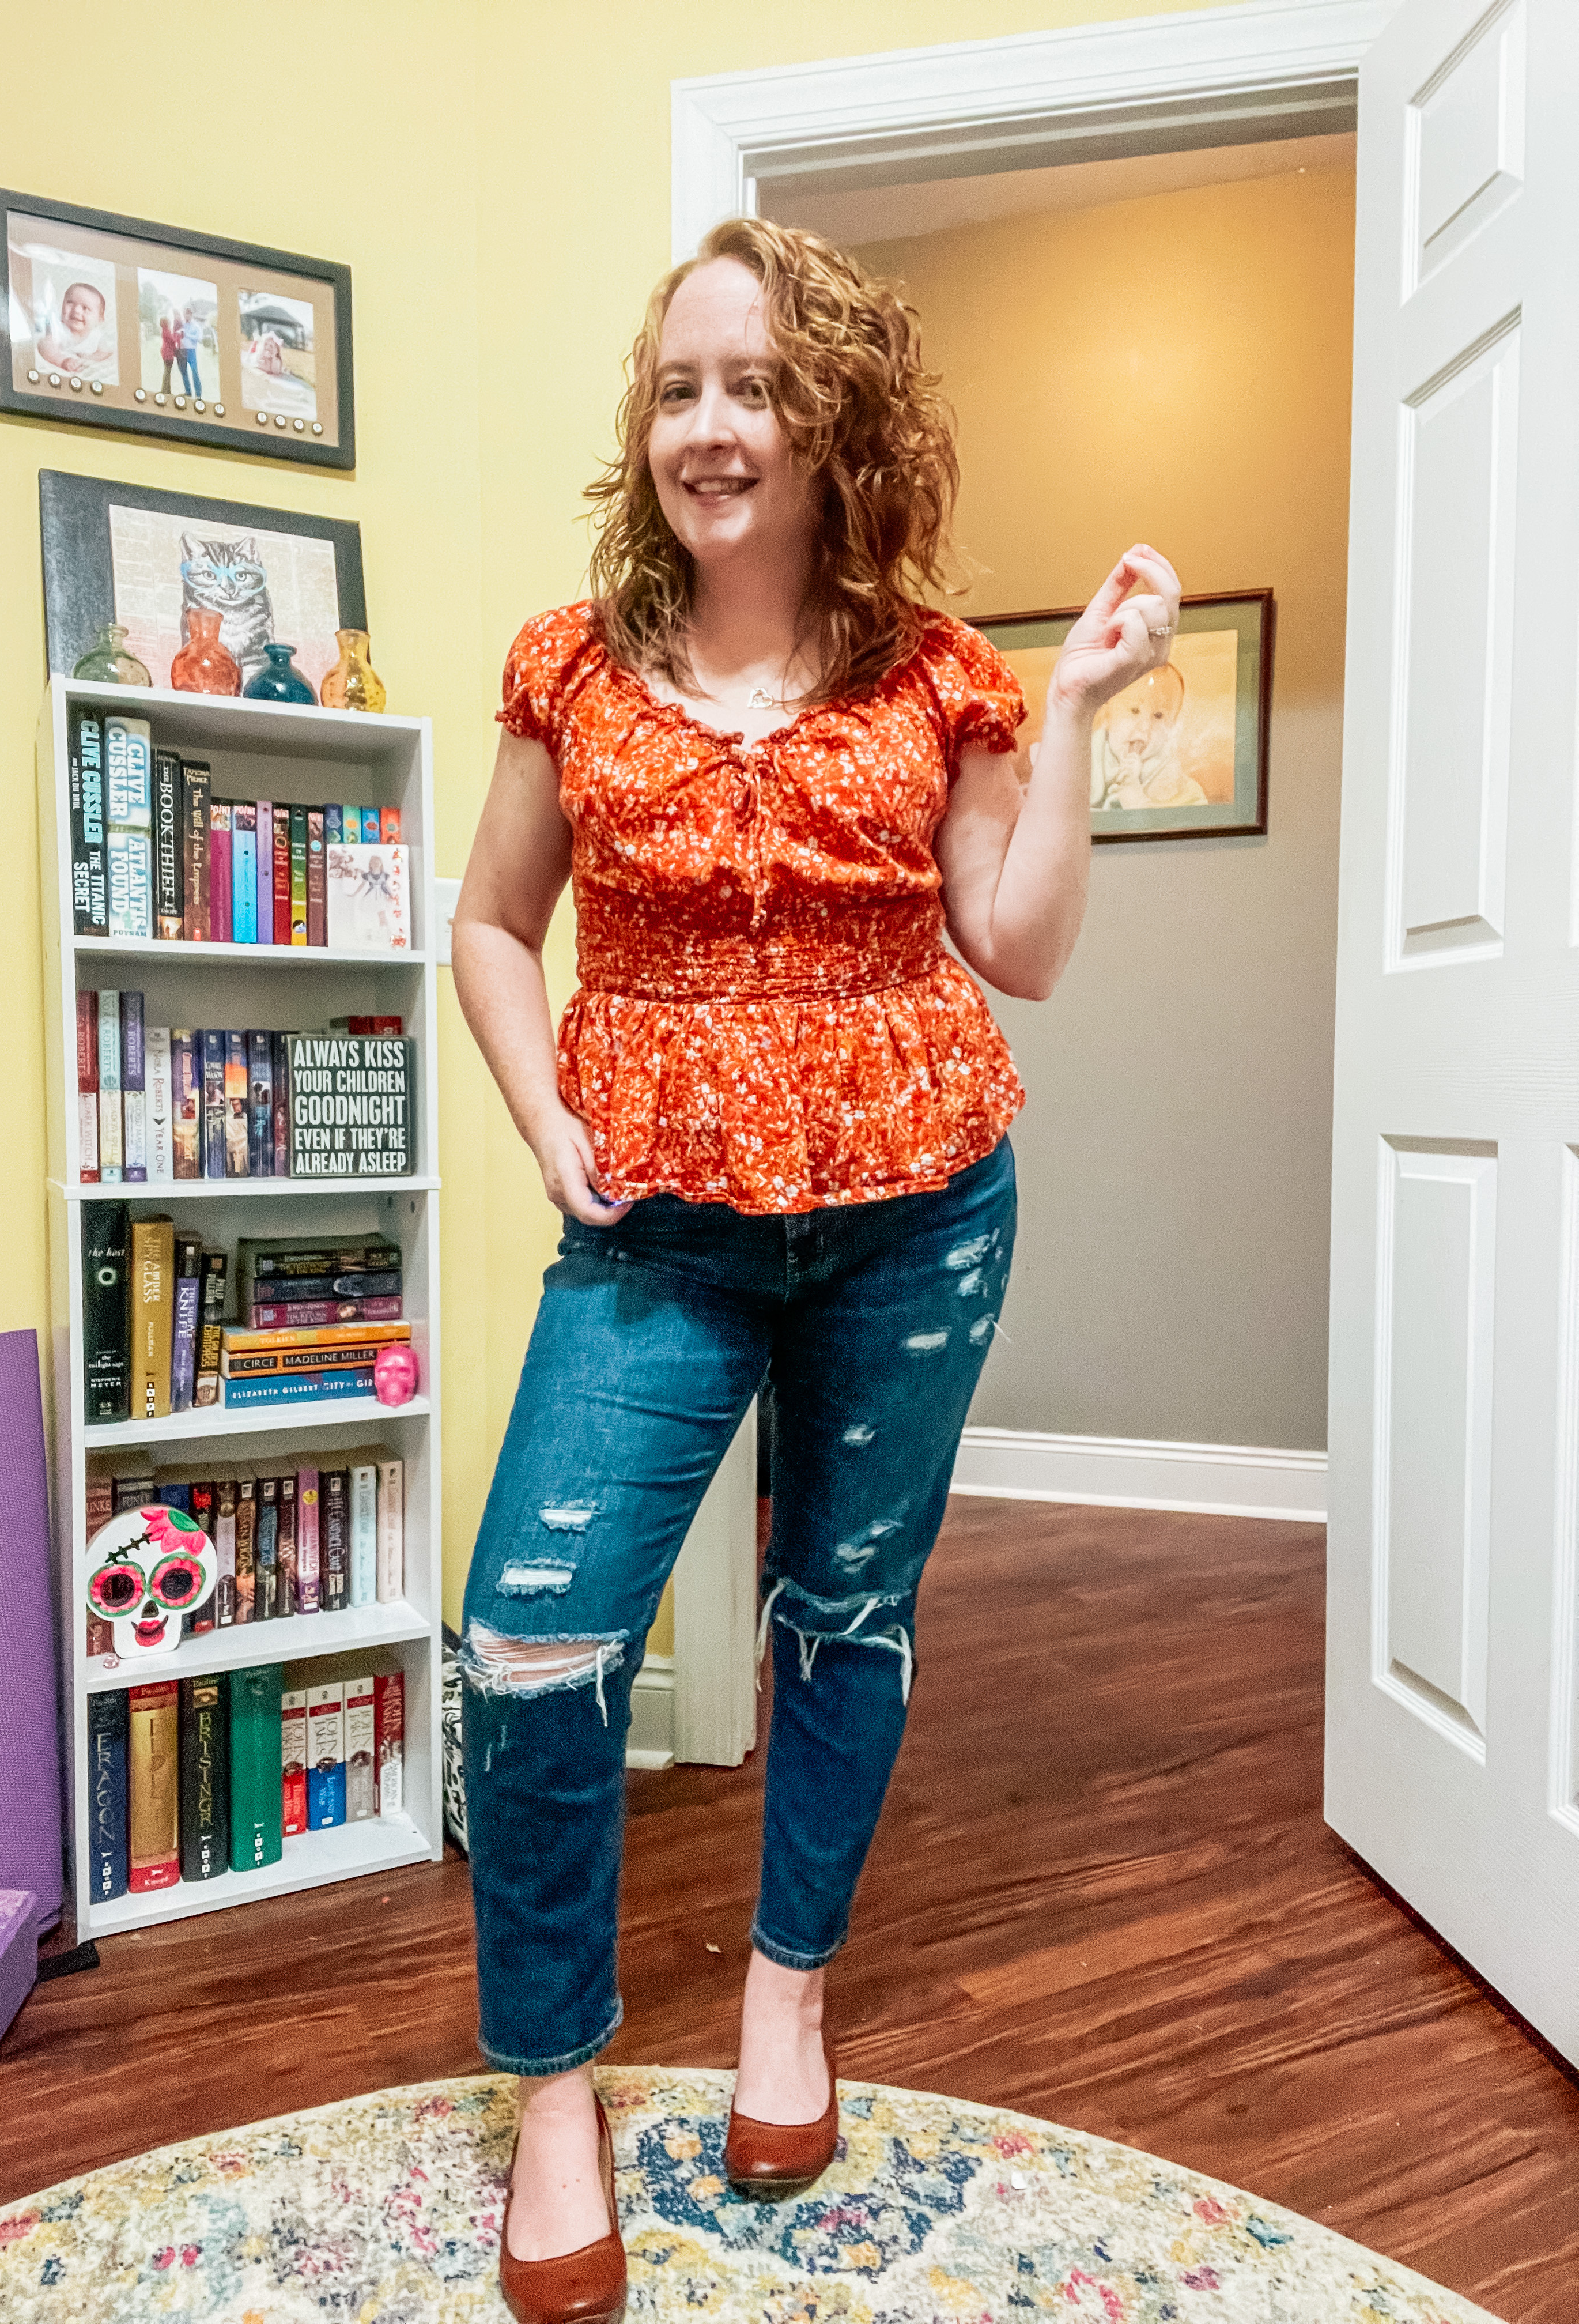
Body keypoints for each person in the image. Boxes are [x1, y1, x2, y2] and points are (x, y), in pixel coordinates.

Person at [451, 216, 1180, 2324]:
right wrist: (537, 1109)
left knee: (839, 1606)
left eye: (751, 383)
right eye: (675, 385)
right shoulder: (564, 666)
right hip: (652, 1230)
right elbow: (493, 926)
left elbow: (1016, 947)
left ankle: (786, 1996)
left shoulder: (933, 668)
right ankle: (556, 2086)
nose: (706, 424)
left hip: (916, 1207)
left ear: (829, 412)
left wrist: (1079, 722)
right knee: (530, 1638)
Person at [1090, 659, 1205, 808]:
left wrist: (1134, 795)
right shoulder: (1083, 763)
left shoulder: (1180, 785)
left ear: (1171, 728)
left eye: (1158, 716)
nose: (1145, 727)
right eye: (1134, 710)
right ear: (1106, 715)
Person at [36, 278, 115, 381]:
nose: (76, 310)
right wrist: (62, 361)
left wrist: (90, 358)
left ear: (100, 319)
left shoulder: (96, 336)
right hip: (64, 359)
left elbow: (105, 353)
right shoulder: (59, 329)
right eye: (70, 303)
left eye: (85, 308)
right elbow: (45, 346)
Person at [176, 306, 204, 399]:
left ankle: (198, 395)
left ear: (191, 315)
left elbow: (199, 339)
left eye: (188, 314)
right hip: (182, 351)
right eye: (185, 314)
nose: (186, 316)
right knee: (184, 372)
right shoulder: (182, 324)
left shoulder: (196, 326)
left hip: (191, 351)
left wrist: (188, 335)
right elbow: (177, 335)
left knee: (194, 372)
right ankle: (188, 392)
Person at [158, 309, 180, 395]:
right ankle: (165, 390)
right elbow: (173, 341)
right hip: (168, 355)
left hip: (165, 354)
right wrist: (178, 336)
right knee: (167, 372)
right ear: (167, 323)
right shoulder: (167, 332)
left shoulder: (165, 331)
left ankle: (166, 390)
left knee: (167, 372)